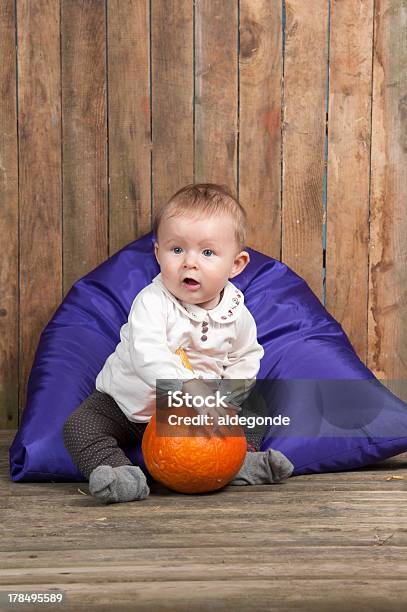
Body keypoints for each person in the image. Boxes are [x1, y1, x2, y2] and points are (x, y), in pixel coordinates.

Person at [63, 183, 294, 504]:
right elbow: (147, 353)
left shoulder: (237, 313)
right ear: (158, 254)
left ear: (236, 265)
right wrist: (188, 387)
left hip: (201, 415)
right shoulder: (152, 302)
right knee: (80, 426)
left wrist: (227, 400)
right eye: (176, 250)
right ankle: (118, 473)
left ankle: (239, 460)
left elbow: (247, 355)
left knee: (255, 405)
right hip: (130, 406)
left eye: (208, 252)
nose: (190, 262)